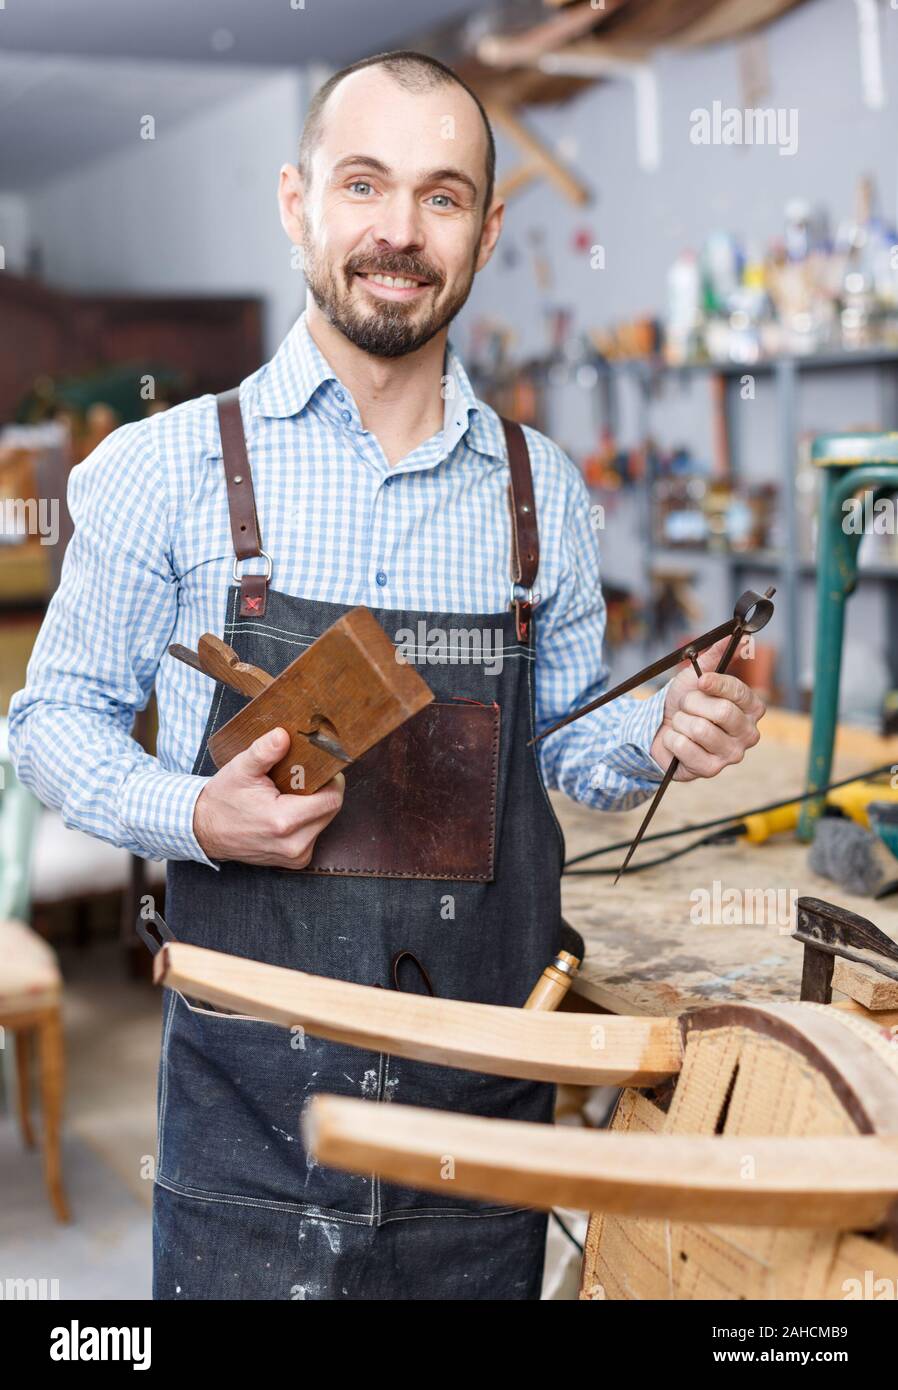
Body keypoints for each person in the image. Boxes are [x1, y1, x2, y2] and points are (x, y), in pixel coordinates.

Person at [9, 50, 765, 1301]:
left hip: (482, 1110)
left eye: (441, 195)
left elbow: (566, 746)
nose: (398, 233)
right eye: (364, 185)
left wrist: (663, 729)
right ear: (298, 202)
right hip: (252, 1114)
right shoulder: (166, 469)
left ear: (485, 229)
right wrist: (198, 813)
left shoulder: (542, 497)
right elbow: (48, 725)